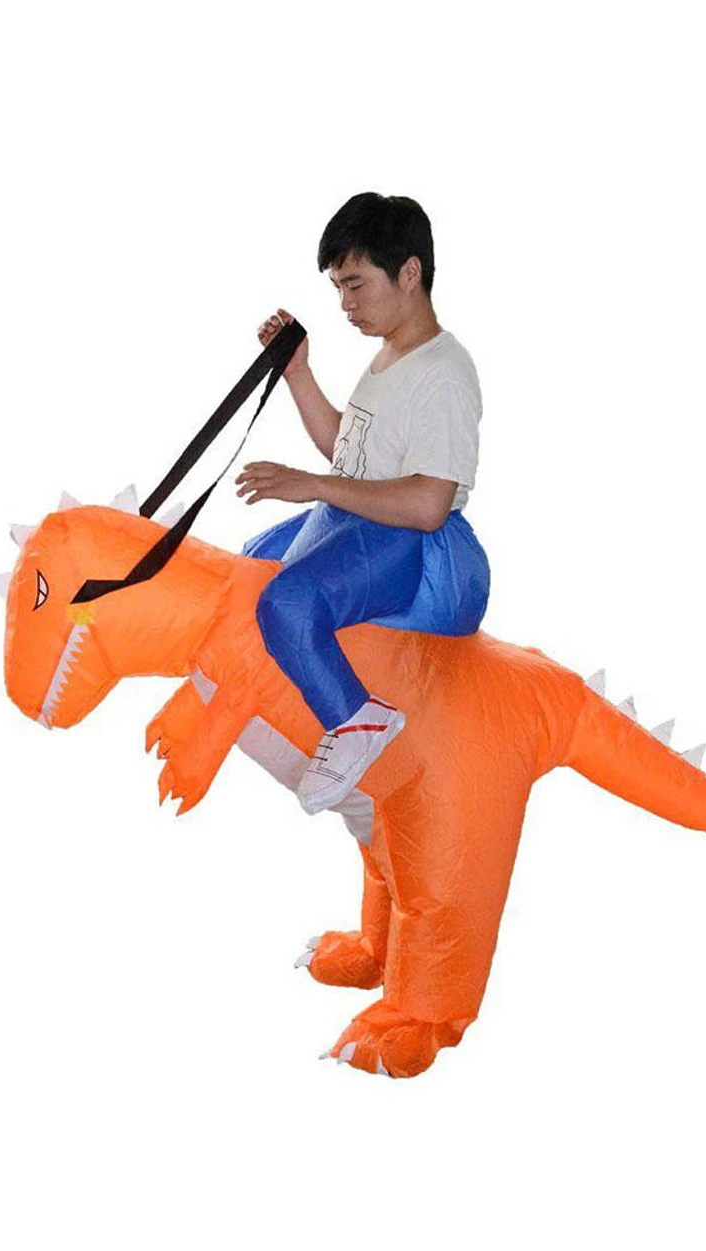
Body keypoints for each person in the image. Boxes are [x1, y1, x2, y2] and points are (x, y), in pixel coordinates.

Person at [236, 192, 489, 815]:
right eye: (338, 289)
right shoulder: (389, 357)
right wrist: (296, 371)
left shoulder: (443, 373)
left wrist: (314, 486)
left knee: (287, 601)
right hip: (355, 521)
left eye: (355, 285)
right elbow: (349, 455)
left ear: (409, 272)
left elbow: (428, 504)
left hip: (406, 542)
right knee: (250, 567)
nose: (345, 305)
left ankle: (357, 720)